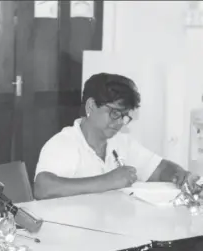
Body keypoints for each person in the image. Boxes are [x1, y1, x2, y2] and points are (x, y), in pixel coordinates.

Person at [33, 72, 203, 200]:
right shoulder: (63, 144)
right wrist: (108, 181)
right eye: (115, 113)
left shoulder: (121, 142)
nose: (120, 122)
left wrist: (181, 175)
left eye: (125, 116)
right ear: (91, 106)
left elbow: (159, 169)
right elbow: (42, 188)